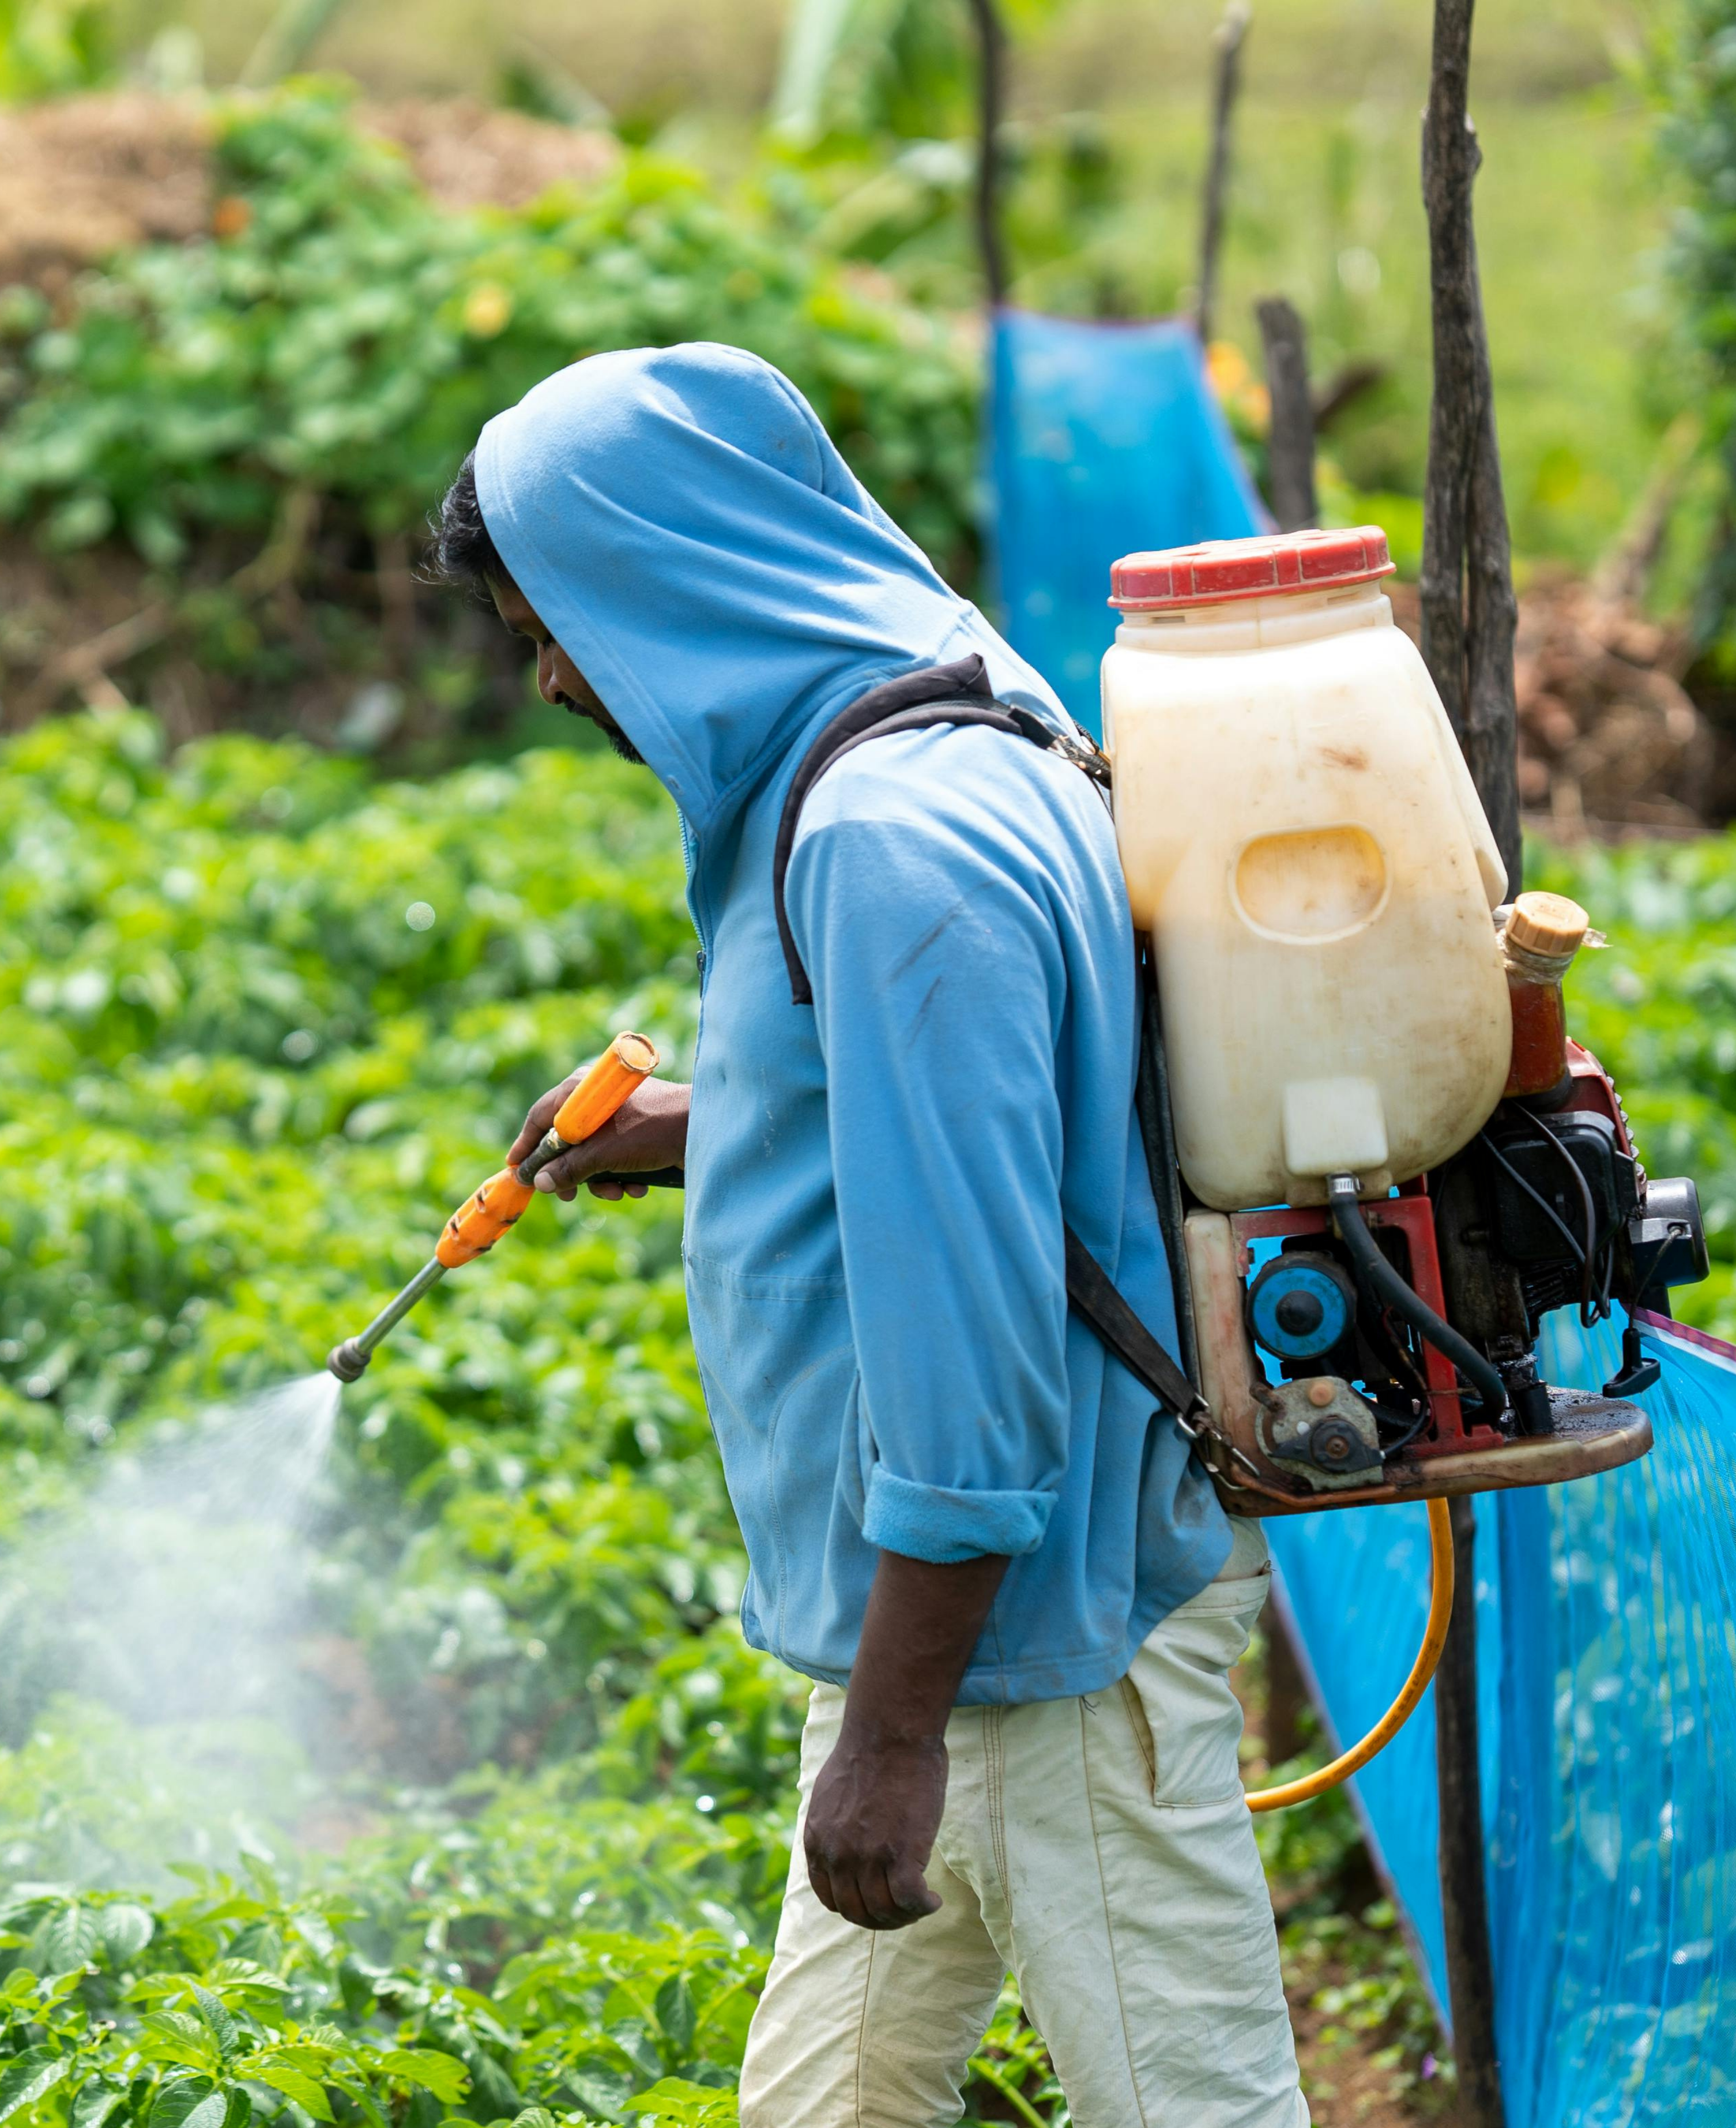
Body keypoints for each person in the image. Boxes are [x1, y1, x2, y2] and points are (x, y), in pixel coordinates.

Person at [429, 344, 1300, 2127]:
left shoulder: (889, 844)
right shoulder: (953, 701)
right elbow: (994, 1117)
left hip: (1032, 1649)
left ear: (670, 578)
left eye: (558, 623)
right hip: (946, 1634)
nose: (550, 679)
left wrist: (896, 1737)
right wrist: (725, 1129)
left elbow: (974, 1331)